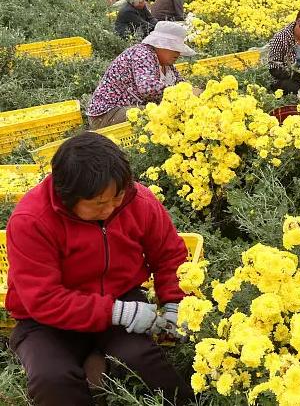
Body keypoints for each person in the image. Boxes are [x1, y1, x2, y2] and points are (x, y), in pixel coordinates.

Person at [5, 132, 194, 406]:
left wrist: (175, 303)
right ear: (67, 195)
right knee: (52, 379)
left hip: (120, 295)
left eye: (117, 196)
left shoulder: (137, 200)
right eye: (98, 204)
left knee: (142, 359)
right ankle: (92, 364)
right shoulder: (31, 220)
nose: (111, 208)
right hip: (47, 320)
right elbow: (43, 299)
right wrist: (118, 312)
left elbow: (169, 254)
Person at [87, 22, 195, 129]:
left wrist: (192, 92)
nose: (178, 53)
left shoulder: (166, 64)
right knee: (164, 115)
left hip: (129, 108)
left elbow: (182, 84)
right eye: (175, 48)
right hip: (108, 114)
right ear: (160, 45)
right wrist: (179, 93)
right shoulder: (143, 54)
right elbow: (148, 89)